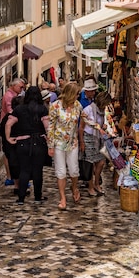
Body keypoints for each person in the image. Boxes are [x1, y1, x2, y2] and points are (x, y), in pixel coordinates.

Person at [5, 86, 50, 205]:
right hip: (39, 143)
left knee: (24, 170)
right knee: (37, 170)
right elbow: (47, 128)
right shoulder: (42, 109)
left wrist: (9, 138)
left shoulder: (19, 109)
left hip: (22, 143)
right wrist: (50, 143)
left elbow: (8, 124)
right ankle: (37, 197)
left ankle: (21, 198)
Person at [47, 82, 83, 210]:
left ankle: (74, 187)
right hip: (58, 142)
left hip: (72, 142)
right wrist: (50, 145)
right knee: (61, 171)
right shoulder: (55, 106)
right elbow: (51, 126)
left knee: (74, 169)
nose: (78, 96)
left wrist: (98, 127)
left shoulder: (77, 105)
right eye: (76, 94)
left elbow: (84, 119)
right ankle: (62, 197)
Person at [81, 91, 110, 196]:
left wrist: (103, 127)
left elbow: (101, 124)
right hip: (88, 138)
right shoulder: (88, 110)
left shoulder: (102, 111)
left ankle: (97, 183)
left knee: (101, 162)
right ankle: (90, 186)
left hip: (98, 138)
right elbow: (82, 126)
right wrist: (82, 142)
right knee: (90, 163)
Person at [0, 79, 25, 186]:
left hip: (10, 127)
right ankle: (11, 177)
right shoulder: (10, 96)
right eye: (21, 87)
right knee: (10, 154)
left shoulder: (13, 94)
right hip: (10, 128)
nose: (22, 89)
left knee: (11, 154)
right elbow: (12, 112)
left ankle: (15, 178)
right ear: (14, 86)